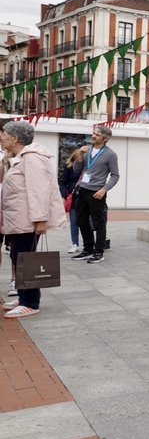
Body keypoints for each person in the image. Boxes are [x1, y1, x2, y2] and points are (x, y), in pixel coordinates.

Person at [0, 121, 67, 319]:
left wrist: (40, 220)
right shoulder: (18, 157)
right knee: (17, 257)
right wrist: (6, 159)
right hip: (18, 219)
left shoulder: (32, 159)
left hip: (27, 220)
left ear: (15, 138)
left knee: (25, 259)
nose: (1, 137)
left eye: (3, 134)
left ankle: (31, 303)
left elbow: (39, 191)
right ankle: (23, 297)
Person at [71, 125, 120, 264]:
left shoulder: (110, 154)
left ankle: (99, 252)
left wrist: (104, 189)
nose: (93, 136)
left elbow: (115, 175)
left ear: (105, 139)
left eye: (97, 135)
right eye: (93, 133)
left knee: (99, 223)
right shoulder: (87, 151)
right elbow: (76, 170)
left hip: (97, 192)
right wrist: (79, 155)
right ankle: (87, 249)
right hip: (82, 189)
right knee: (81, 220)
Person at [59, 148, 84, 253]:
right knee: (74, 222)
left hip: (85, 195)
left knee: (85, 221)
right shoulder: (69, 167)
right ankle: (75, 244)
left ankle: (89, 243)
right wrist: (63, 196)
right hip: (73, 196)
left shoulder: (87, 167)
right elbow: (63, 182)